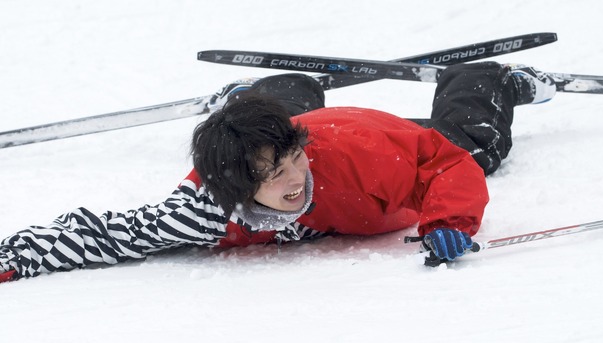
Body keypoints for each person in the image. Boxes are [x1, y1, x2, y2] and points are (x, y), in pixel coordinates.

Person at [0, 62, 556, 283]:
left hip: (364, 134)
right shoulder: (204, 211)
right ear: (237, 188)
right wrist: (15, 257)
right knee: (275, 121)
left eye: (293, 161)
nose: (295, 179)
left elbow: (443, 163)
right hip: (294, 123)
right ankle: (269, 93)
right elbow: (113, 233)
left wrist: (445, 221)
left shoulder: (368, 161)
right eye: (274, 175)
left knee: (472, 147)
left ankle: (484, 81)